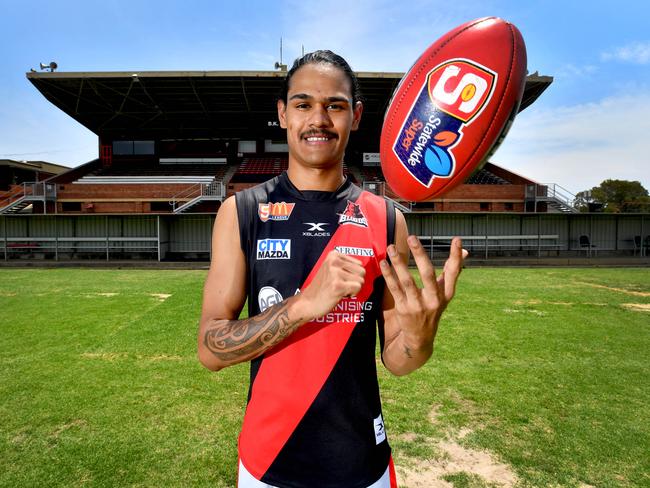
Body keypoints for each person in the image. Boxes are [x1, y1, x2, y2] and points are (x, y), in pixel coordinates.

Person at [198, 50, 467, 488]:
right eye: (304, 104)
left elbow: (399, 361)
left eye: (335, 106)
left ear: (355, 115)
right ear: (283, 114)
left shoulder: (386, 219)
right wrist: (305, 304)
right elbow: (211, 349)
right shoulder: (242, 211)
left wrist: (421, 336)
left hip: (361, 462)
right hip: (269, 462)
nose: (318, 119)